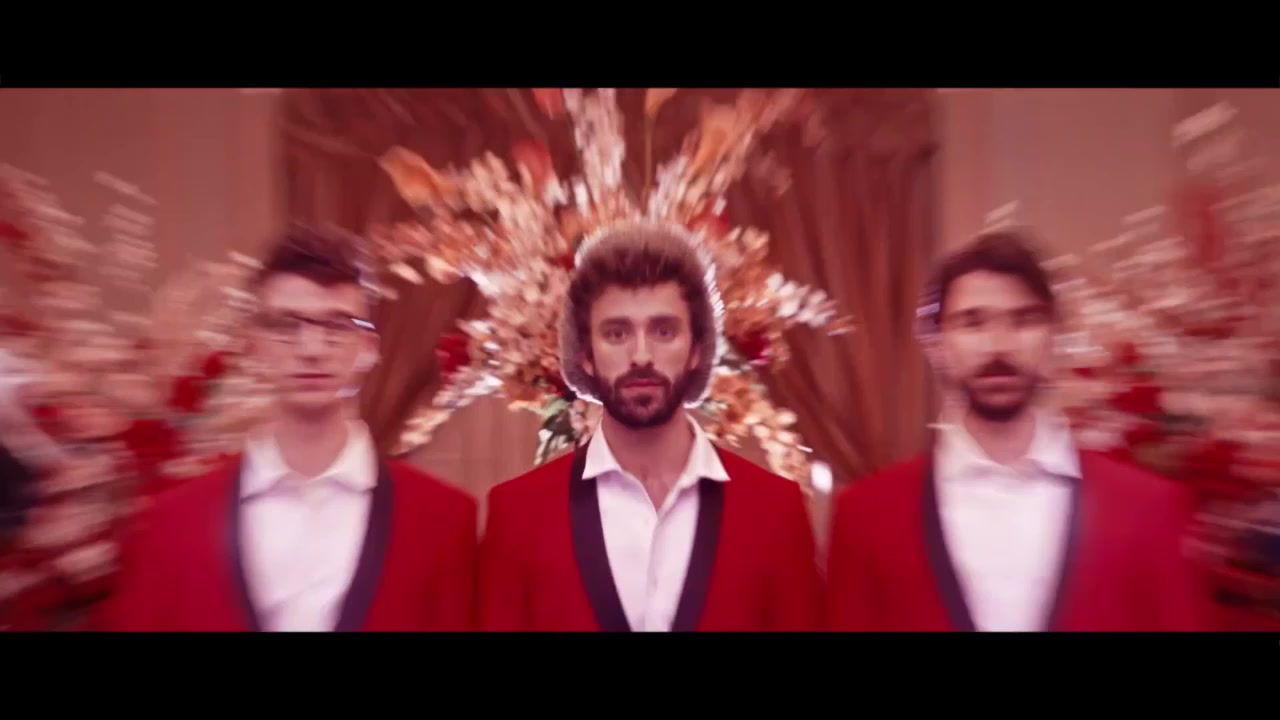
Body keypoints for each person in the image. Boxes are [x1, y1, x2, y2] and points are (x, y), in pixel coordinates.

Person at [827, 230, 1213, 632]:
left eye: (1024, 320)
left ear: (1053, 336)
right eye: (972, 322)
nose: (999, 345)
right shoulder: (866, 515)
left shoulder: (1148, 508)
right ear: (937, 343)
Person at [100, 225, 477, 632]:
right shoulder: (173, 521)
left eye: (337, 326)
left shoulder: (443, 519)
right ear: (253, 344)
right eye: (286, 325)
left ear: (369, 347)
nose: (311, 349)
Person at [478, 223, 822, 632]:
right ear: (586, 355)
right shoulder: (518, 516)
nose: (641, 355)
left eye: (663, 331)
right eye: (617, 333)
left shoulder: (775, 512)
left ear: (696, 350)